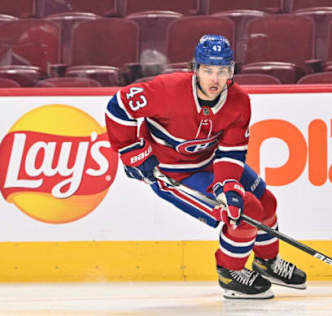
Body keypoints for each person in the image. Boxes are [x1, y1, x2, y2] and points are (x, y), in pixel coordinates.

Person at [105, 34, 306, 299]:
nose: (215, 79)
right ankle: (229, 271)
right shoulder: (167, 90)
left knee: (266, 202)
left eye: (222, 71)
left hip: (210, 162)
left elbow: (231, 152)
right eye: (208, 70)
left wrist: (227, 186)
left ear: (231, 71)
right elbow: (118, 106)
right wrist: (131, 151)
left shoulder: (239, 102)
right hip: (173, 173)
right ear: (195, 69)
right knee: (246, 211)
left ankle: (266, 262)